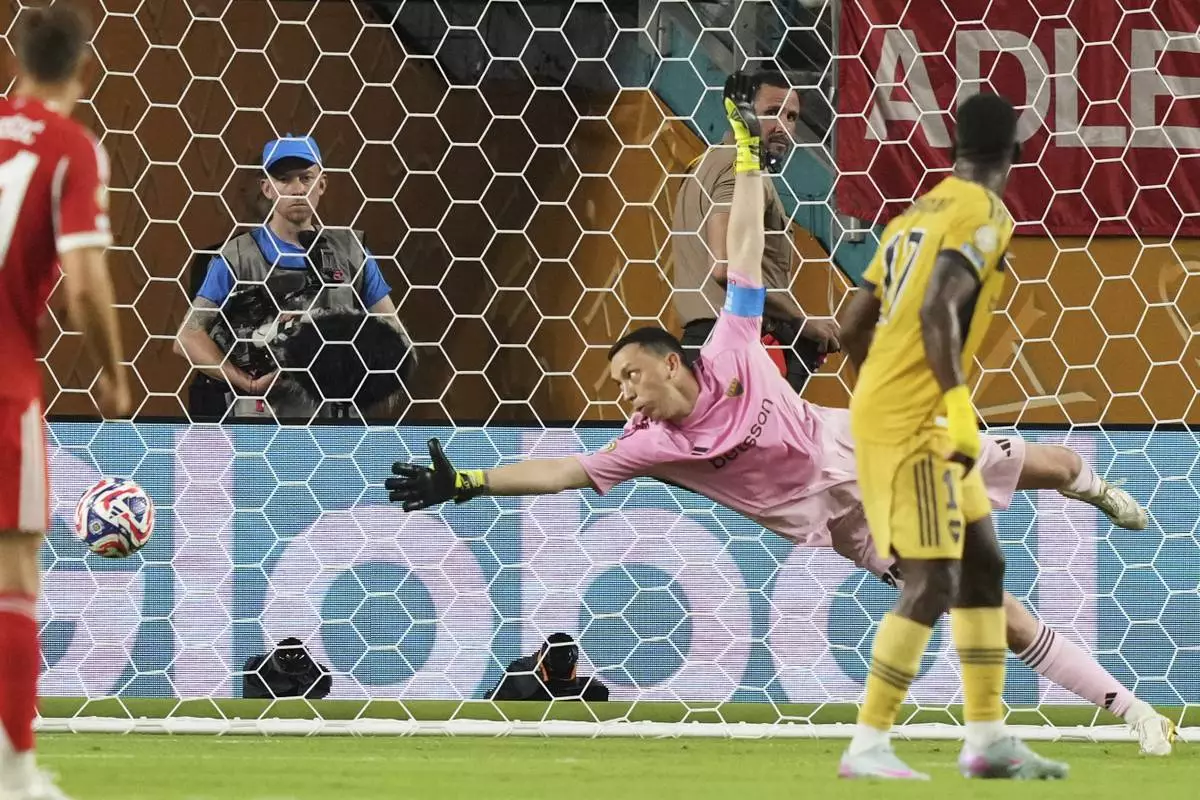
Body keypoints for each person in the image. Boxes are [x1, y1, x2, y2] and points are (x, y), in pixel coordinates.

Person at [385, 74, 1174, 759]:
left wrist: (753, 161)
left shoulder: (731, 343)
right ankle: (1133, 711)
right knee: (990, 610)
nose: (622, 393)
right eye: (615, 385)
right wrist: (473, 481)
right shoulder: (651, 445)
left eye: (629, 375)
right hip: (859, 523)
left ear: (671, 361)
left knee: (1052, 469)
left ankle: (1087, 484)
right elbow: (565, 470)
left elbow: (741, 244)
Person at [836, 92, 1064, 780]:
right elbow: (938, 305)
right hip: (921, 418)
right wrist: (948, 402)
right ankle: (868, 744)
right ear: (1018, 152)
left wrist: (883, 389)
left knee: (985, 562)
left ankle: (989, 737)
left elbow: (850, 324)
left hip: (901, 406)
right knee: (933, 579)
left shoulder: (915, 212)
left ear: (951, 151)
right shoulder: (987, 213)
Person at [0, 5, 129, 798]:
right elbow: (85, 285)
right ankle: (14, 773)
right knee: (14, 567)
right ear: (81, 73)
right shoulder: (72, 149)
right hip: (5, 377)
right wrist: (113, 376)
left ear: (15, 60)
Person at [174, 134, 411, 421]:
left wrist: (361, 377)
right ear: (267, 188)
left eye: (306, 178)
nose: (297, 189)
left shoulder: (352, 253)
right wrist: (245, 382)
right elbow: (187, 337)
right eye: (284, 179)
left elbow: (396, 336)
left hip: (336, 427)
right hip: (260, 424)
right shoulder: (236, 258)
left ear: (322, 184)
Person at [671, 68, 839, 392]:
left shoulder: (703, 163)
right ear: (742, 113)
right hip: (734, 348)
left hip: (712, 343)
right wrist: (801, 320)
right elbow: (727, 269)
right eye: (772, 113)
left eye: (792, 117)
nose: (784, 128)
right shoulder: (741, 171)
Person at [487, 633, 610, 702]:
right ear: (574, 668)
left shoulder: (523, 693)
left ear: (541, 665)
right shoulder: (596, 692)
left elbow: (490, 702)